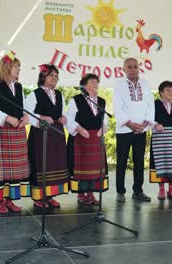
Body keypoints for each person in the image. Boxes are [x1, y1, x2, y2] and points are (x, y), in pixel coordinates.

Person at [0, 51, 31, 213]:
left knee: (15, 168)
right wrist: (8, 118)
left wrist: (24, 116)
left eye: (19, 67)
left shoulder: (19, 86)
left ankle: (10, 199)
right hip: (0, 131)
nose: (18, 69)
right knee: (1, 168)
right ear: (6, 67)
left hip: (17, 131)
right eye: (15, 66)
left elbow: (21, 107)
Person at [26, 64, 70, 208]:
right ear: (44, 76)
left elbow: (63, 113)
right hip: (40, 135)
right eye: (52, 75)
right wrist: (41, 118)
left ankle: (50, 196)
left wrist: (64, 117)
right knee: (41, 164)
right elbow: (26, 114)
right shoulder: (35, 94)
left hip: (56, 134)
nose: (55, 78)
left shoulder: (59, 95)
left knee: (54, 165)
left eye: (57, 76)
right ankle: (39, 198)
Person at [113, 58, 155, 202]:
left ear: (139, 68)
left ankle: (138, 191)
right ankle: (120, 191)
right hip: (124, 129)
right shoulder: (119, 85)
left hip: (141, 130)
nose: (132, 69)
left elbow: (150, 105)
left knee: (139, 161)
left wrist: (145, 123)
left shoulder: (145, 84)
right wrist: (129, 123)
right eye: (129, 67)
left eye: (135, 66)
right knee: (122, 161)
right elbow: (117, 106)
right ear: (124, 70)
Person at [66, 74, 109, 205]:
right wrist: (79, 129)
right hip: (80, 138)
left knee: (95, 169)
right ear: (84, 85)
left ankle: (91, 193)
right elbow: (69, 119)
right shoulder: (76, 100)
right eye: (92, 82)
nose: (95, 84)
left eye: (97, 82)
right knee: (81, 169)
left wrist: (103, 127)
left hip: (96, 139)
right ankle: (81, 194)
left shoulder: (101, 101)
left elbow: (104, 118)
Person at [149, 81, 172, 200]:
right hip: (160, 139)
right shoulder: (154, 104)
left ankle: (171, 190)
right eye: (168, 90)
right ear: (161, 92)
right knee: (162, 164)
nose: (171, 92)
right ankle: (161, 190)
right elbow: (148, 119)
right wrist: (155, 124)